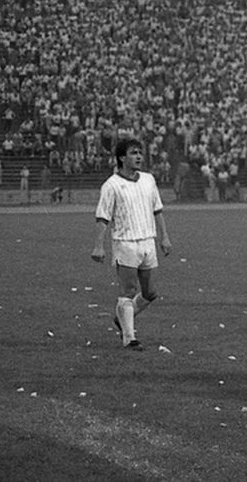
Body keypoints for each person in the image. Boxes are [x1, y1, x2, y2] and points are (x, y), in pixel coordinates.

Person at [91, 138, 173, 350]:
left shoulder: (148, 180)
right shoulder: (111, 185)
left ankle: (122, 318)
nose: (139, 156)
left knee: (150, 293)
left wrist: (164, 237)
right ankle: (130, 338)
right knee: (128, 291)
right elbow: (103, 217)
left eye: (140, 152)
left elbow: (157, 210)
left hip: (148, 242)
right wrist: (98, 245)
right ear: (121, 158)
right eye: (133, 153)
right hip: (125, 243)